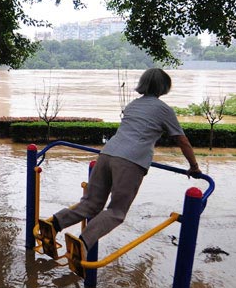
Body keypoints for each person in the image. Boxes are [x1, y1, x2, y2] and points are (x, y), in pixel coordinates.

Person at [42, 68, 200, 257]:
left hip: (107, 154)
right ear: (165, 87)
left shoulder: (133, 105)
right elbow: (182, 140)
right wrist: (194, 167)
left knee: (91, 202)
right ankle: (82, 243)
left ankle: (54, 223)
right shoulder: (164, 110)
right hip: (131, 161)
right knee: (117, 211)